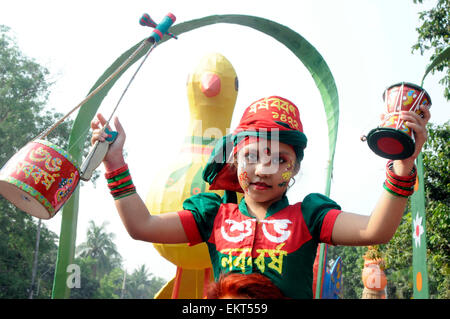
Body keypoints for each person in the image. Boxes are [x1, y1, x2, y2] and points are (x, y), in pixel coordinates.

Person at [91, 96, 430, 299]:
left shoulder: (310, 215)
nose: (264, 170)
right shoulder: (213, 215)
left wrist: (402, 168)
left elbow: (375, 230)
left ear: (295, 168)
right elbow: (141, 225)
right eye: (253, 156)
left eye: (281, 160)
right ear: (235, 161)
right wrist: (115, 163)